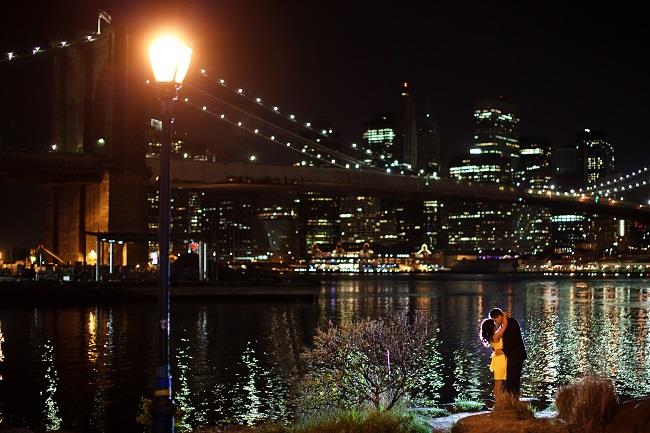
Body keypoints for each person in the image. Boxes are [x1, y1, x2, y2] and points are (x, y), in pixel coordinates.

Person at [490, 307, 526, 396]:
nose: (495, 322)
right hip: (512, 355)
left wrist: (502, 350)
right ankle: (512, 399)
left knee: (513, 379)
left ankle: (513, 400)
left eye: (495, 320)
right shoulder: (505, 324)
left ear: (499, 316)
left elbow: (514, 340)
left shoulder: (511, 323)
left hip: (516, 355)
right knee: (511, 379)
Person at [480, 312, 509, 400]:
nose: (495, 324)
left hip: (498, 360)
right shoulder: (495, 336)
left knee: (498, 384)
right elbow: (504, 326)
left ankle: (499, 402)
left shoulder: (493, 336)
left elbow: (500, 329)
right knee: (498, 384)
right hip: (500, 361)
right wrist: (504, 315)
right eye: (494, 324)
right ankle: (499, 403)